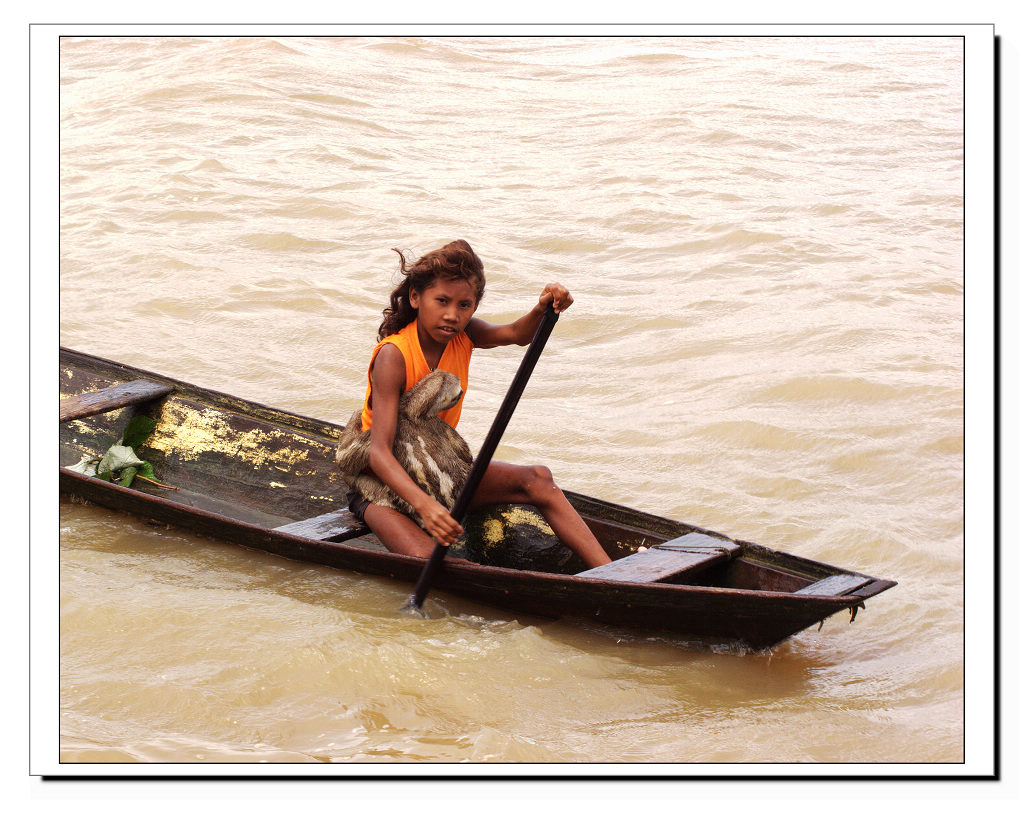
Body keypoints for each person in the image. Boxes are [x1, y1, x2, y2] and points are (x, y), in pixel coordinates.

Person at [349, 239, 611, 569]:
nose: (452, 315)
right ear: (416, 298)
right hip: (381, 485)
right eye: (441, 301)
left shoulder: (466, 334)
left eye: (464, 305)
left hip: (440, 472)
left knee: (538, 479)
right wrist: (425, 507)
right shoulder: (394, 356)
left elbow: (516, 333)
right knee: (434, 564)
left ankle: (617, 578)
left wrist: (544, 309)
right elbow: (379, 453)